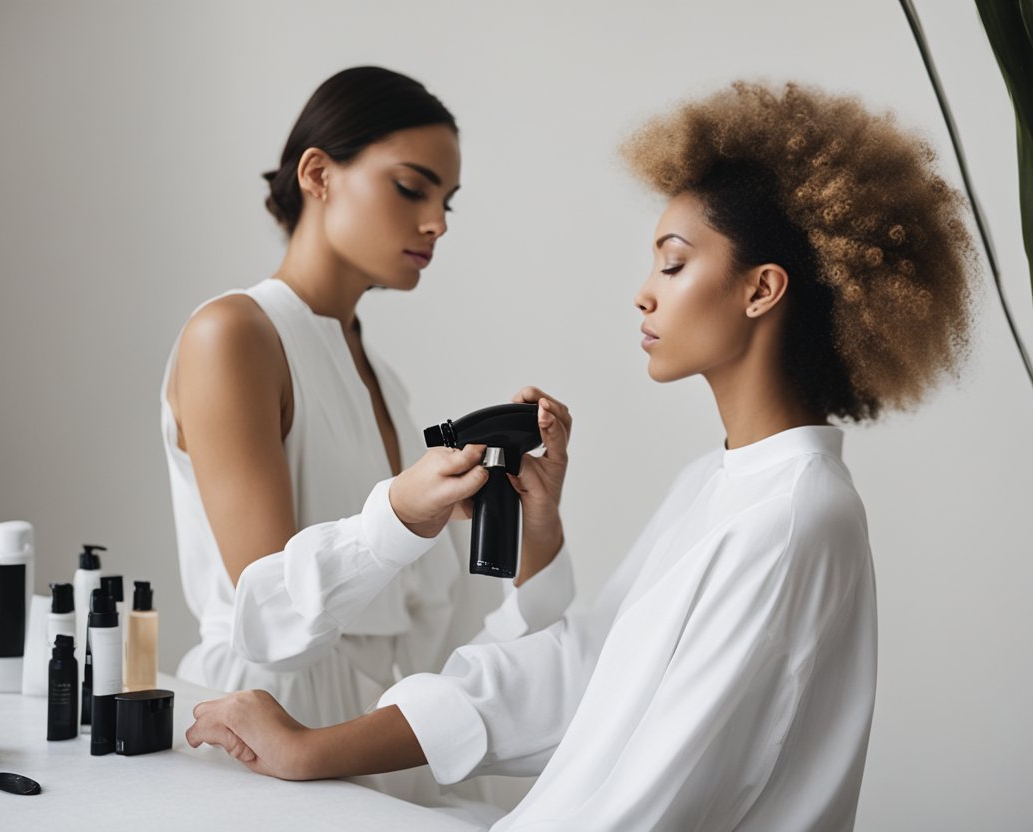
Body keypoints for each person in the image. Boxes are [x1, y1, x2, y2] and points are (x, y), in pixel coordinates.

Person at [185, 81, 976, 831]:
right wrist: (311, 747)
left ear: (761, 290)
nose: (643, 292)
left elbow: (645, 801)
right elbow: (583, 674)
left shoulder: (796, 514)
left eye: (672, 262)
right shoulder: (718, 483)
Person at [160, 66, 575, 747]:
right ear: (318, 174)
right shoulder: (232, 334)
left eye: (448, 201)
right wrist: (401, 512)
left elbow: (427, 610)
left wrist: (530, 516)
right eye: (411, 187)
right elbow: (271, 620)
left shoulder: (378, 375)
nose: (437, 222)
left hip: (377, 723)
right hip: (264, 723)